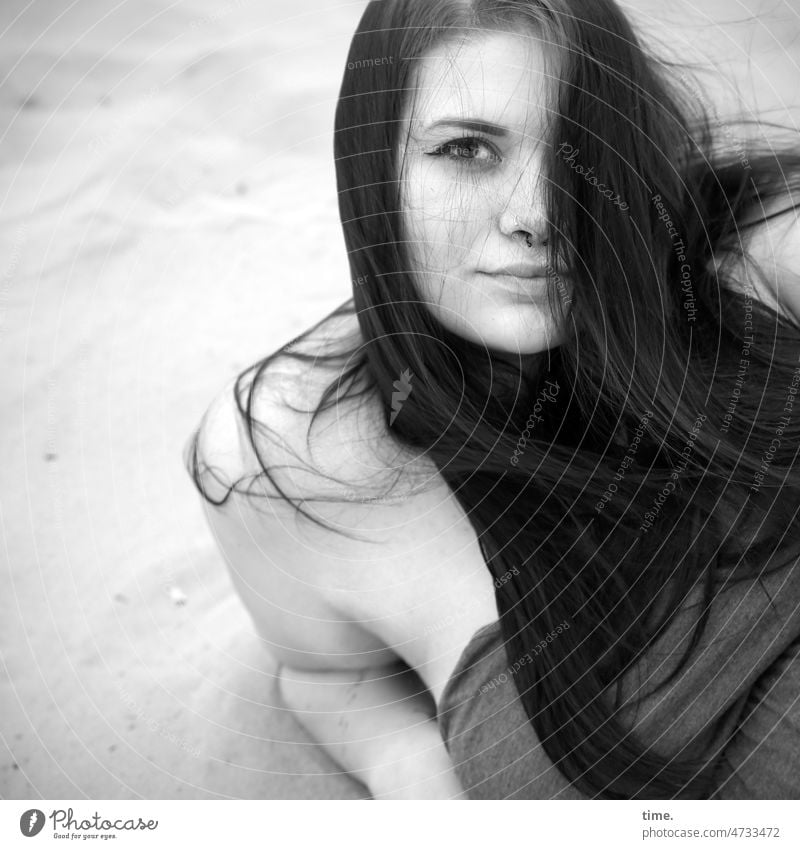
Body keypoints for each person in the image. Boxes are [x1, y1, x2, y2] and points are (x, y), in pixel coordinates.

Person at [184, 0, 800, 799]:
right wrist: (415, 779)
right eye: (468, 149)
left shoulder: (756, 258)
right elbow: (327, 675)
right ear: (374, 170)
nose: (538, 216)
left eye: (582, 152)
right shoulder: (282, 460)